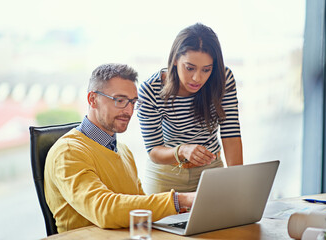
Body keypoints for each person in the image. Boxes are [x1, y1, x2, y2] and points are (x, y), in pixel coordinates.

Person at [44, 63, 195, 233]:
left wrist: (186, 211)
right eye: (120, 100)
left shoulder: (123, 151)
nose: (129, 111)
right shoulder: (68, 152)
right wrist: (179, 200)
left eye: (133, 102)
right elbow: (104, 210)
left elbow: (138, 207)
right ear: (92, 99)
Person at [137, 23, 243, 194]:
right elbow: (154, 150)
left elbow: (231, 133)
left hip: (210, 170)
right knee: (159, 221)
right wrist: (182, 150)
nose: (197, 78)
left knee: (221, 220)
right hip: (165, 173)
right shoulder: (150, 90)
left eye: (206, 70)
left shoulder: (223, 79)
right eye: (189, 68)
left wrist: (237, 180)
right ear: (175, 60)